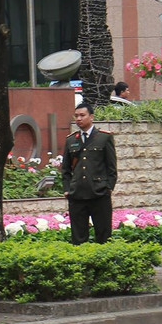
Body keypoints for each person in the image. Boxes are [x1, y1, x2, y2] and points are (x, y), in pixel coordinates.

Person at [61, 102, 118, 245]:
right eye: (76, 116)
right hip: (77, 194)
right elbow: (66, 169)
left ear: (91, 117)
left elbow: (111, 167)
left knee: (104, 235)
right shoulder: (71, 140)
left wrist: (108, 187)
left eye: (82, 115)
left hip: (99, 193)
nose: (78, 119)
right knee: (78, 237)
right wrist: (68, 190)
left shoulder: (104, 138)